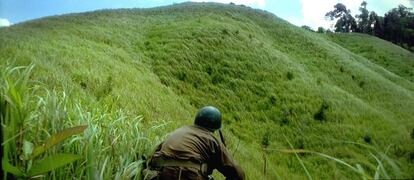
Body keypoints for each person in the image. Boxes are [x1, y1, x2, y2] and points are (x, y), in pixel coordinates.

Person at [143, 106, 245, 180]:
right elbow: (237, 173)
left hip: (162, 174)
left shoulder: (179, 131)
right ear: (215, 127)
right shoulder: (213, 141)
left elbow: (153, 155)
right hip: (189, 175)